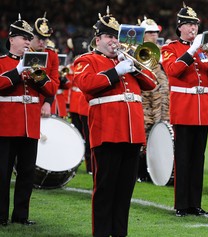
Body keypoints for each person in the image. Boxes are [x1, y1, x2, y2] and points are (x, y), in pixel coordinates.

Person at [73, 8, 156, 236]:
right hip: (107, 132)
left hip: (132, 133)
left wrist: (131, 65)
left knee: (124, 191)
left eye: (116, 36)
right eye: (109, 36)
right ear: (98, 39)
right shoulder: (86, 60)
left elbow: (152, 82)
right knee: (105, 190)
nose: (113, 41)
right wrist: (115, 71)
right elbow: (86, 84)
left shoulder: (127, 60)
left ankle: (120, 233)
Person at [161, 3, 208, 217]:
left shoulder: (204, 51)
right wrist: (192, 50)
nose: (193, 28)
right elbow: (173, 70)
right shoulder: (170, 48)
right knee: (183, 159)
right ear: (180, 27)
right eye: (188, 24)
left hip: (202, 111)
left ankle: (195, 204)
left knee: (198, 160)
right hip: (184, 109)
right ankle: (182, 205)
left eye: (195, 25)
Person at [0, 14, 58, 226]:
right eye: (23, 37)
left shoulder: (35, 64)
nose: (27, 41)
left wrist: (36, 74)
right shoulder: (2, 62)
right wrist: (17, 71)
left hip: (29, 126)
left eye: (28, 38)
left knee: (26, 173)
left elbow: (51, 88)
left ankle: (21, 216)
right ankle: (0, 216)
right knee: (3, 174)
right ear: (12, 39)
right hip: (6, 125)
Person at [137, 16, 170, 182]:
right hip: (146, 100)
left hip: (162, 101)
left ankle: (154, 170)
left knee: (158, 136)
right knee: (145, 134)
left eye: (156, 32)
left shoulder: (161, 52)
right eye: (150, 32)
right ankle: (141, 172)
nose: (154, 35)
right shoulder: (138, 51)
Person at [66, 34, 92, 174]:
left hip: (82, 103)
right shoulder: (73, 67)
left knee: (87, 137)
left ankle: (89, 165)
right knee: (78, 135)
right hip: (78, 104)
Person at [29, 13, 60, 118]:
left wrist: (48, 102)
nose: (42, 42)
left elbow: (54, 85)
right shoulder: (22, 52)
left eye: (45, 39)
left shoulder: (52, 55)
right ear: (31, 36)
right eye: (39, 38)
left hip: (43, 103)